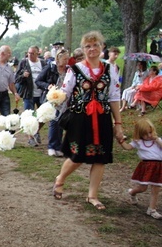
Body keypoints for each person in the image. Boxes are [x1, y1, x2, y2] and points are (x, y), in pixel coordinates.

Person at [52, 31, 123, 210]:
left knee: (100, 157)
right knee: (78, 155)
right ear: (83, 49)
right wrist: (53, 100)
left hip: (102, 118)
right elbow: (65, 93)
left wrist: (118, 124)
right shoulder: (75, 69)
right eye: (88, 46)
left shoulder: (110, 69)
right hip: (80, 118)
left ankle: (92, 195)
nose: (92, 49)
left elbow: (114, 97)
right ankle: (60, 179)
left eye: (95, 45)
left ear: (102, 47)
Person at [119, 118, 162, 219]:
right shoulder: (138, 142)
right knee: (143, 188)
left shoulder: (157, 140)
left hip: (158, 166)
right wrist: (121, 141)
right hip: (146, 166)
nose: (149, 136)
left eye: (150, 132)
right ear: (140, 134)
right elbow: (128, 147)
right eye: (145, 134)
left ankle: (152, 209)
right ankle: (132, 192)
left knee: (156, 189)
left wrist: (157, 140)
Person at [35, 49, 70, 157]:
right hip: (51, 99)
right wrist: (48, 86)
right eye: (64, 59)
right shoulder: (50, 68)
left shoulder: (69, 70)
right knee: (53, 122)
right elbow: (38, 81)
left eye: (67, 59)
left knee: (60, 122)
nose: (66, 61)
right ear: (58, 59)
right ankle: (51, 146)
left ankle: (58, 146)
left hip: (64, 100)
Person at [15, 46, 46, 146]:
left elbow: (47, 76)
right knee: (29, 117)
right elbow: (17, 79)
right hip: (29, 94)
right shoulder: (24, 62)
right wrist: (23, 76)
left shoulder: (43, 63)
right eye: (29, 53)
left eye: (32, 53)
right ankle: (30, 138)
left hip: (41, 94)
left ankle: (36, 130)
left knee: (43, 116)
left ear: (38, 54)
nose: (30, 55)